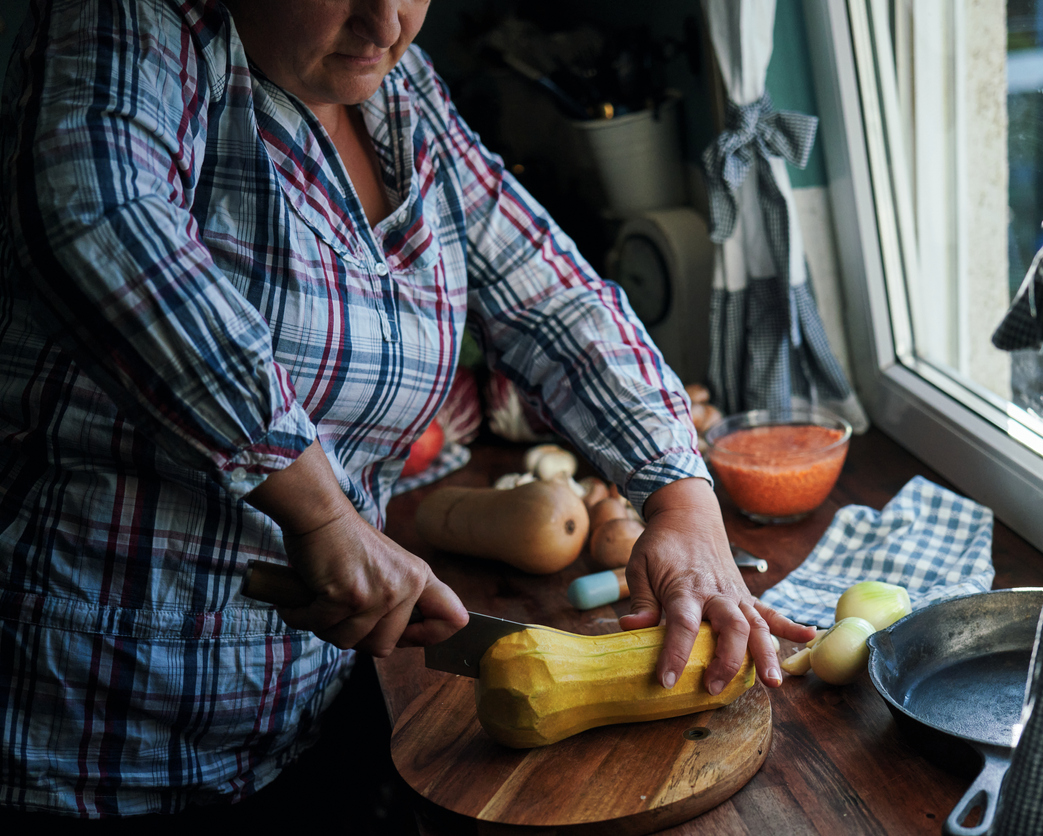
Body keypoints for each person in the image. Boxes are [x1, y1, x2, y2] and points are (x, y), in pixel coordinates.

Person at [0, 0, 816, 824]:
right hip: (87, 727)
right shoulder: (132, 19)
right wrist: (320, 516)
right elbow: (100, 220)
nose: (385, 24)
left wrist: (681, 494)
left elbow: (555, 302)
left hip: (308, 700)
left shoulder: (399, 90)